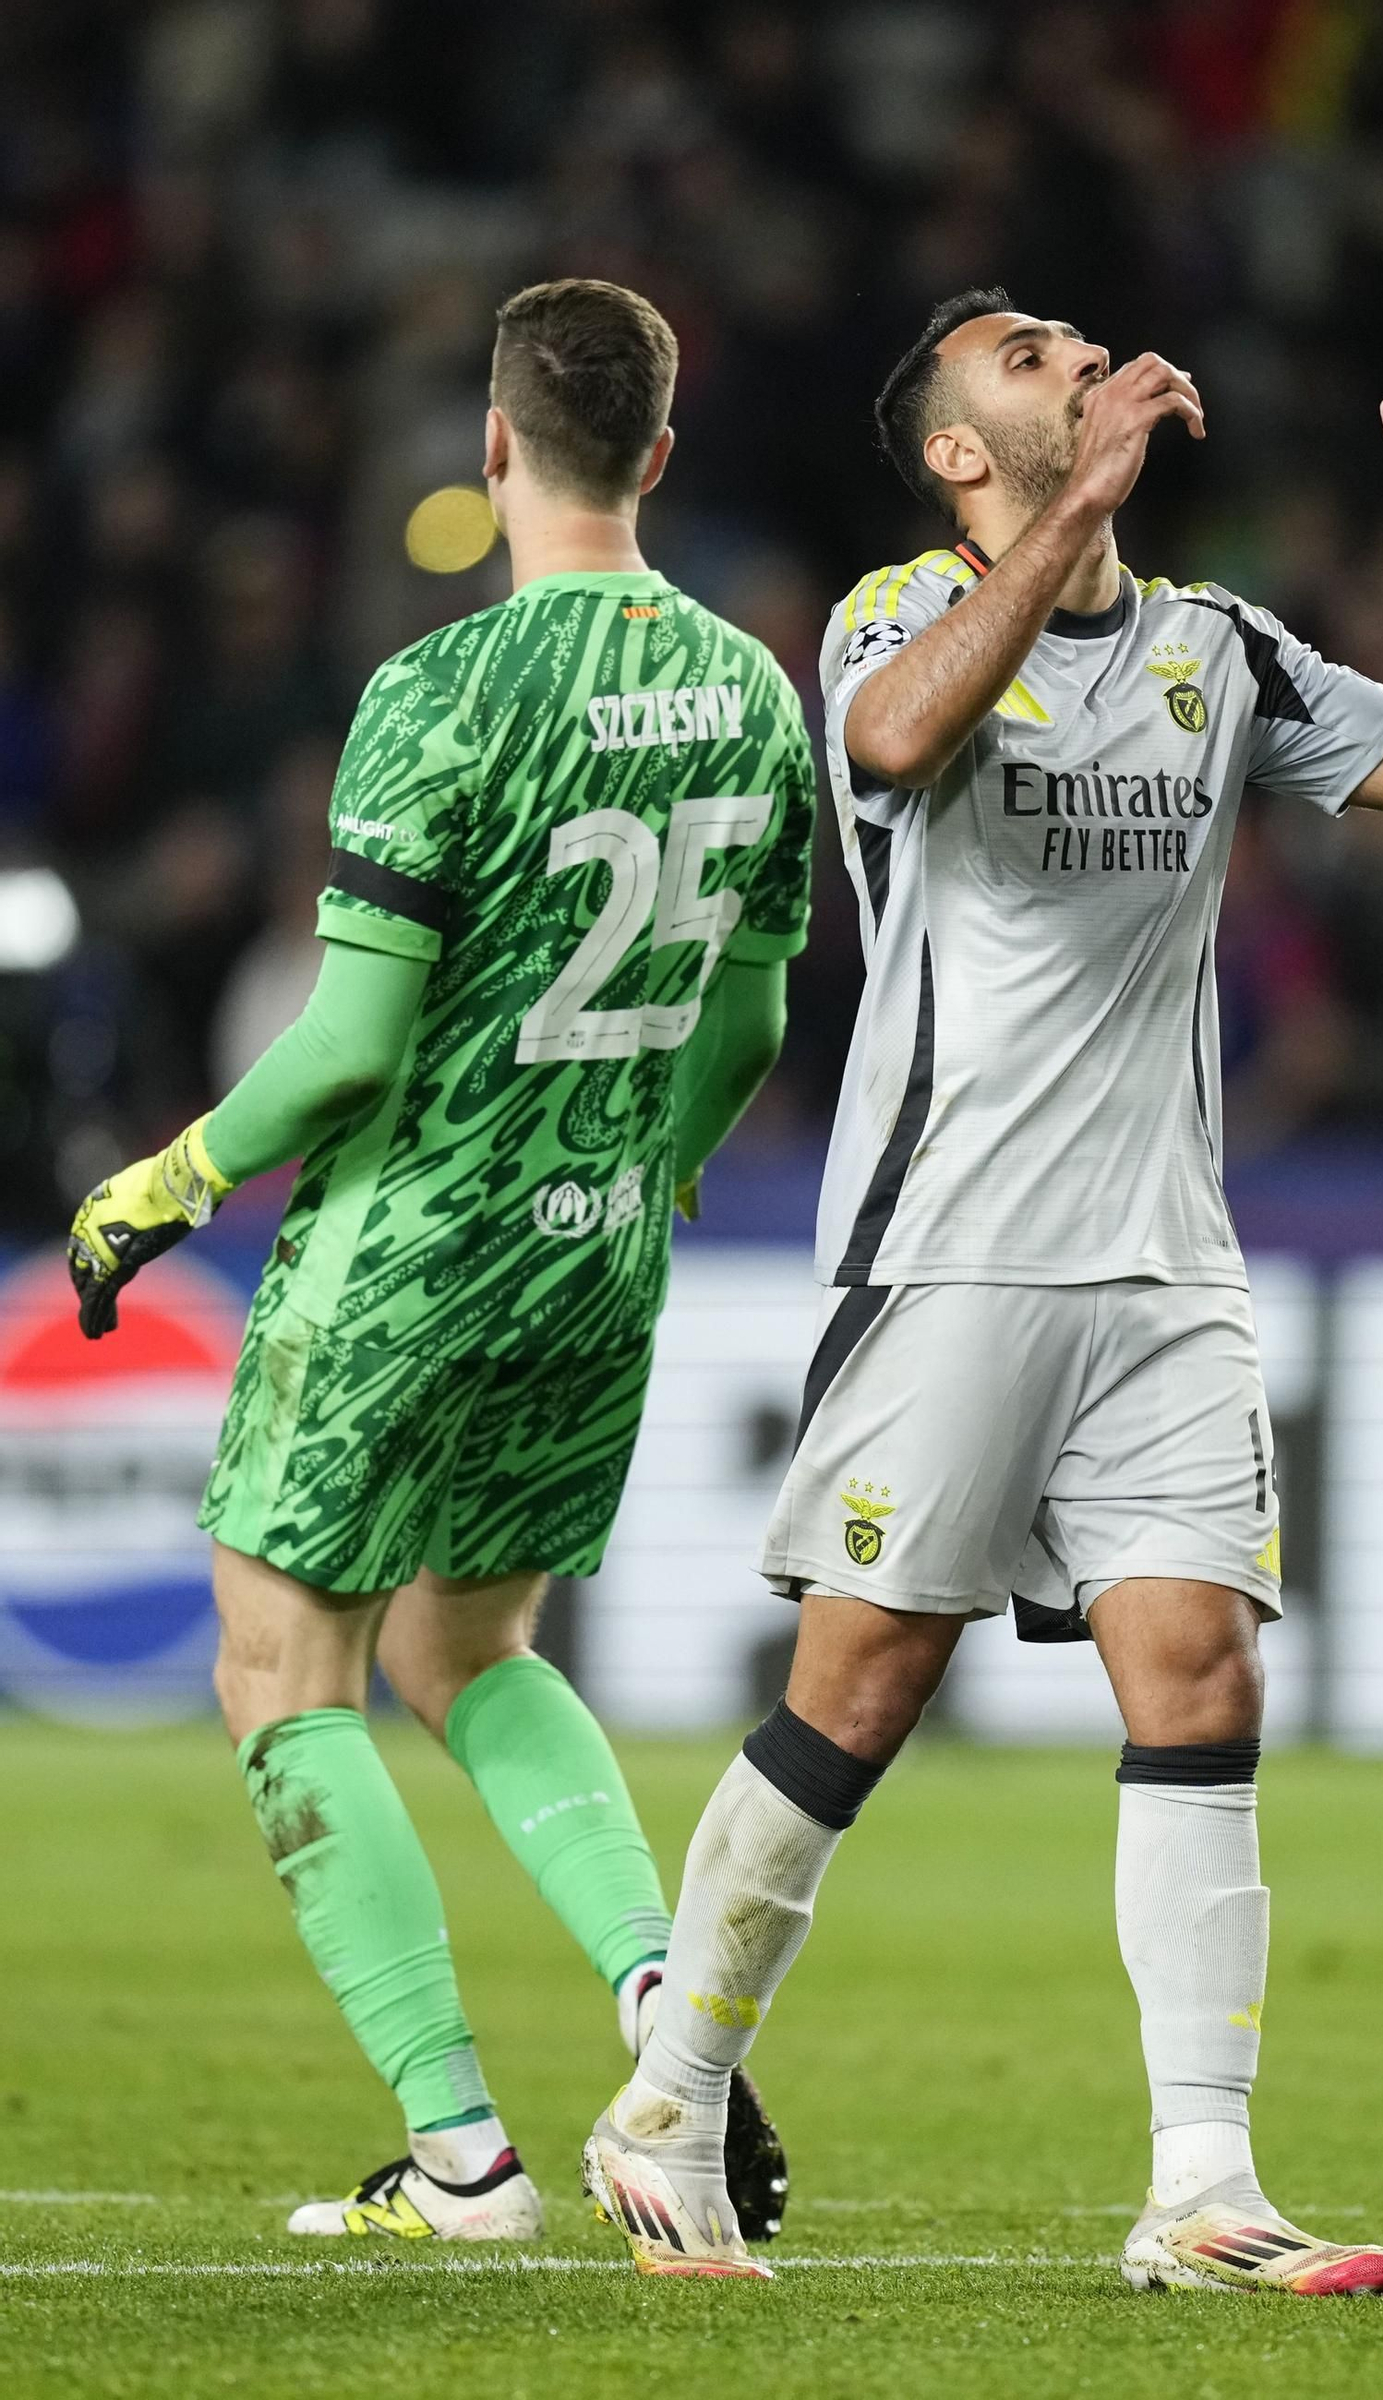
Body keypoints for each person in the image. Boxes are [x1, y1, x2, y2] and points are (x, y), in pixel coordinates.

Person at [584, 288, 1383, 2289]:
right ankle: (668, 2096)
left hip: (1164, 1260)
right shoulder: (887, 613)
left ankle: (1199, 2185)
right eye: (1023, 358)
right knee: (862, 1688)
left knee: (1197, 1677)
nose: (1074, 363)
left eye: (1077, 346)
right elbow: (895, 738)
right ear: (953, 449)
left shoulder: (1215, 649)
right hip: (952, 1247)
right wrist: (1075, 506)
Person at [67, 277, 814, 2245]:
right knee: (465, 1645)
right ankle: (670, 2015)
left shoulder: (437, 695)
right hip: (597, 1253)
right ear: (652, 456)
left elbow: (353, 1042)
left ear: (491, 449)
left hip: (408, 1253)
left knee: (278, 1663)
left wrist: (167, 1178)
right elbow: (746, 1024)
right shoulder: (753, 687)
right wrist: (644, 1178)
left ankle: (462, 2155)